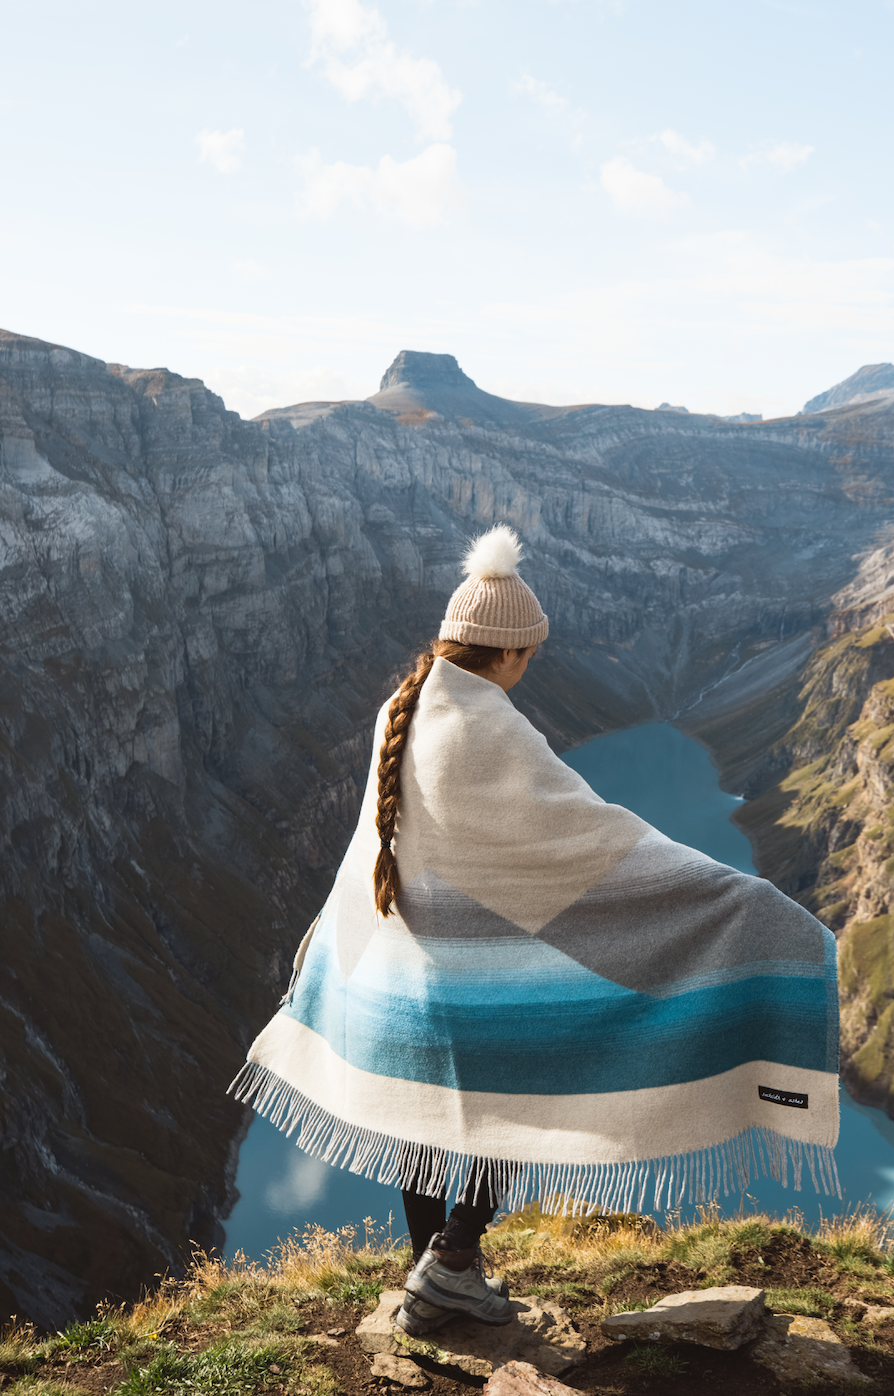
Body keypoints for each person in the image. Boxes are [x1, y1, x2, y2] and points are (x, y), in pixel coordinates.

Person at [232, 524, 840, 1337]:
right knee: (511, 1092)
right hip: (471, 987)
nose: (529, 670)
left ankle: (436, 1274)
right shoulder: (492, 727)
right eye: (530, 657)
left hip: (405, 978)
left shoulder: (403, 707)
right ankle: (452, 1264)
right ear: (509, 654)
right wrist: (732, 898)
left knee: (422, 1118)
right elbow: (595, 843)